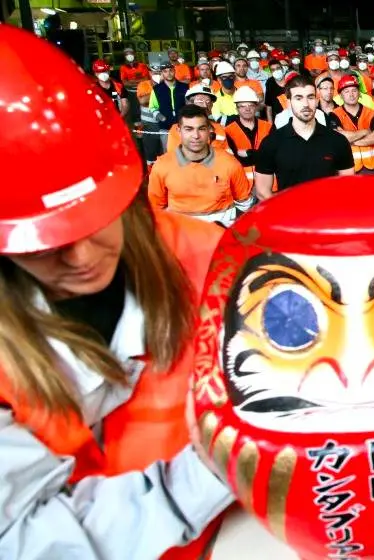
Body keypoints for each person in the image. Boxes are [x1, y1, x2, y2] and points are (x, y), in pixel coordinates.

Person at [0, 24, 232, 558]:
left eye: (98, 220)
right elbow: (30, 542)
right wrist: (215, 469)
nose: (82, 259)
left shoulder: (209, 256)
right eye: (45, 243)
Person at [148, 105, 253, 227]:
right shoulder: (162, 166)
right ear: (179, 131)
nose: (196, 136)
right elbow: (155, 208)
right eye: (189, 129)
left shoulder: (229, 163)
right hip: (181, 240)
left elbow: (245, 205)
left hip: (220, 239)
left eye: (201, 129)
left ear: (209, 130)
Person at [254, 73, 354, 200]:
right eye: (299, 98)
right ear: (289, 102)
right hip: (290, 217)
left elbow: (348, 186)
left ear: (317, 100)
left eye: (310, 97)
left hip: (328, 216)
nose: (306, 104)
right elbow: (262, 192)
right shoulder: (271, 143)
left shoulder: (337, 141)